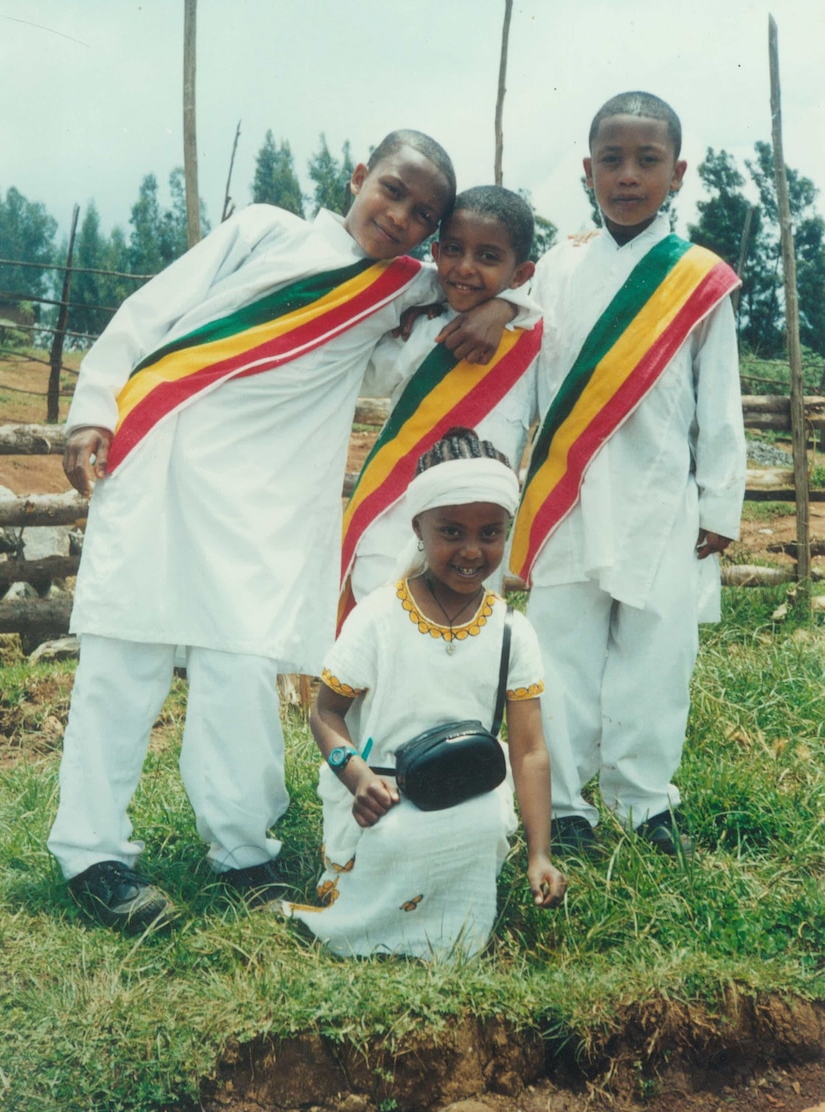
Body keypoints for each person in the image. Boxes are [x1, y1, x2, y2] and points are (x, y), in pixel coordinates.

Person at [49, 130, 525, 932]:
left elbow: (490, 296)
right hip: (163, 460)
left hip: (260, 504)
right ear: (358, 177)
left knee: (241, 672)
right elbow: (153, 308)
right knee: (122, 660)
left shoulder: (398, 292)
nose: (401, 217)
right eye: (392, 191)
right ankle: (92, 854)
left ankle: (243, 852)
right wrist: (94, 405)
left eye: (424, 214)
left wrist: (508, 304)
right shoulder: (265, 230)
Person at [509, 92, 746, 858]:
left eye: (648, 161)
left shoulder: (699, 279)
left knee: (655, 657)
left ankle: (646, 802)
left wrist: (721, 498)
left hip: (659, 498)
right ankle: (568, 807)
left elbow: (720, 400)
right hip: (567, 496)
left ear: (677, 173)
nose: (628, 175)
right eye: (612, 159)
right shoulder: (556, 267)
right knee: (563, 652)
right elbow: (525, 380)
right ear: (587, 169)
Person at [286, 429, 566, 960]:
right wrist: (356, 775)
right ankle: (368, 926)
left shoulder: (512, 631)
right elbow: (325, 709)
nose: (470, 550)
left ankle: (452, 940)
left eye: (490, 533)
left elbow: (529, 752)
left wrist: (539, 854)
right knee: (396, 841)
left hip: (469, 788)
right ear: (418, 527)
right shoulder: (379, 617)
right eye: (452, 531)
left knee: (482, 828)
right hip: (383, 794)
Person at [340, 185, 540, 617]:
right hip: (393, 521)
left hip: (477, 543)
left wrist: (508, 307)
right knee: (378, 634)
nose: (464, 268)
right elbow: (359, 373)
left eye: (487, 257)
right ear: (435, 251)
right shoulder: (417, 324)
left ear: (521, 274)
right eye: (452, 249)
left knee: (466, 652)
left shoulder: (534, 345)